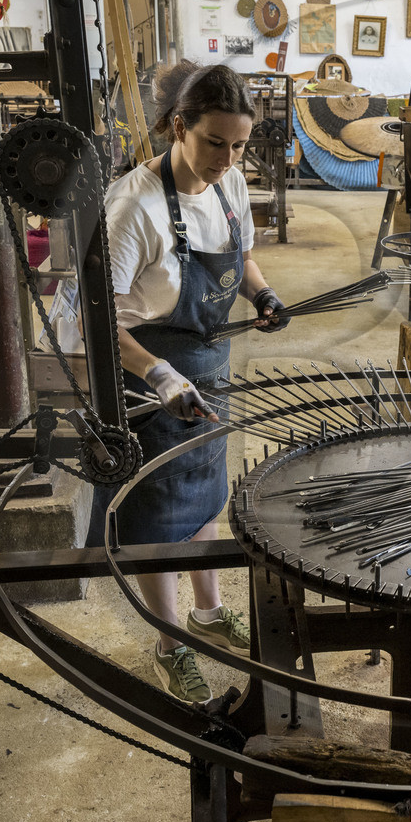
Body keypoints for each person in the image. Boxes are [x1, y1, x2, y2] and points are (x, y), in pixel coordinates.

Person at [91, 61, 288, 704]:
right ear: (179, 127)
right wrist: (159, 373)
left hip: (208, 369)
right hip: (147, 376)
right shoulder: (134, 206)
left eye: (240, 146)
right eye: (215, 143)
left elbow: (244, 257)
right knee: (159, 516)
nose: (228, 161)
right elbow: (91, 323)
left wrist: (263, 295)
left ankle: (208, 612)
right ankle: (169, 642)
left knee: (204, 495)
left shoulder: (229, 185)